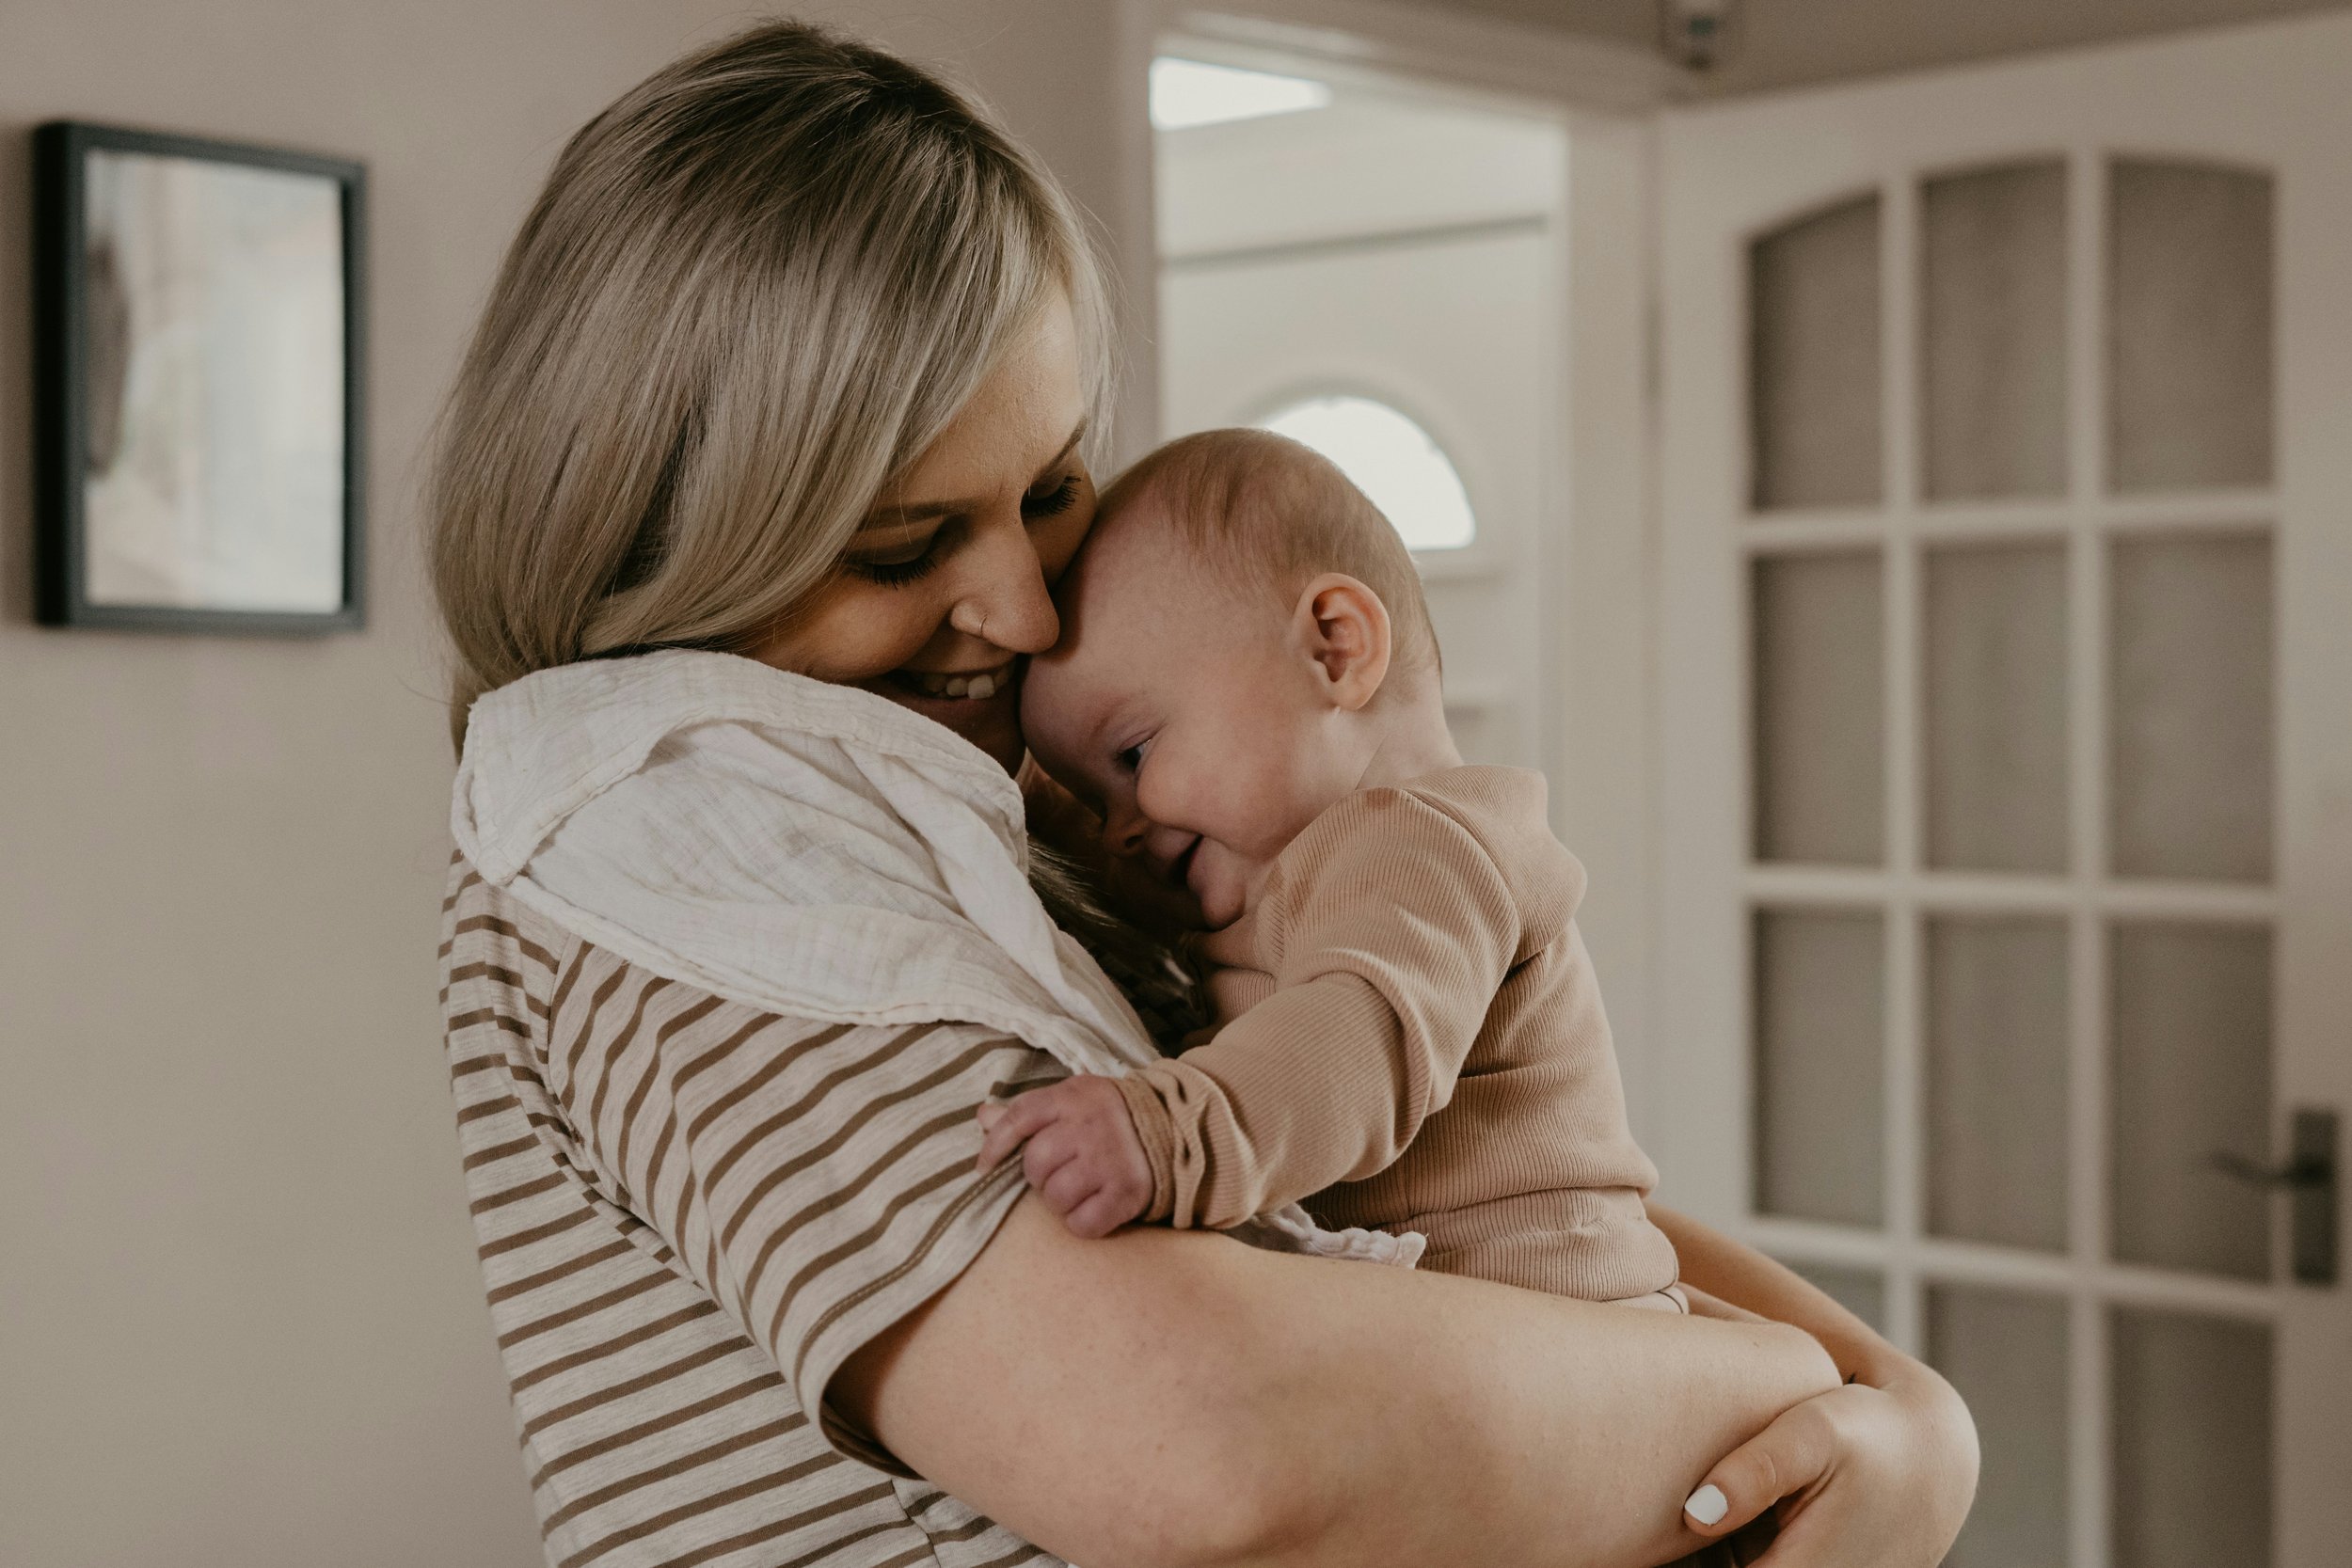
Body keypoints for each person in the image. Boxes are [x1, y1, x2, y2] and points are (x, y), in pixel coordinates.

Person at [429, 20, 1977, 1568]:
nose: (1027, 616)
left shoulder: (947, 811)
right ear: (677, 533)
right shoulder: (663, 823)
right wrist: (1789, 1391)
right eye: (903, 549)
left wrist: (1898, 1402)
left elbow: (1477, 1171)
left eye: (1048, 492)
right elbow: (1215, 1449)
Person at [993, 425, 1687, 1314]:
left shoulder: (1428, 844)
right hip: (1480, 1335)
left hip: (1576, 1329)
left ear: (1335, 648)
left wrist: (1172, 1135)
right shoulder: (1280, 871)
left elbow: (1355, 1041)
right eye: (1094, 802)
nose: (1119, 833)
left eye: (1131, 756)